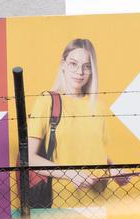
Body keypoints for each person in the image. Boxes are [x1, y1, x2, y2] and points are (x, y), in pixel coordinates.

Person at [27, 38, 132, 208]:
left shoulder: (97, 107)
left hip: (102, 204)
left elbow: (93, 150)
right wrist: (71, 174)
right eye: (73, 64)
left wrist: (113, 170)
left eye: (87, 66)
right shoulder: (48, 101)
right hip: (64, 204)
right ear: (63, 64)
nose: (80, 72)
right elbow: (29, 159)